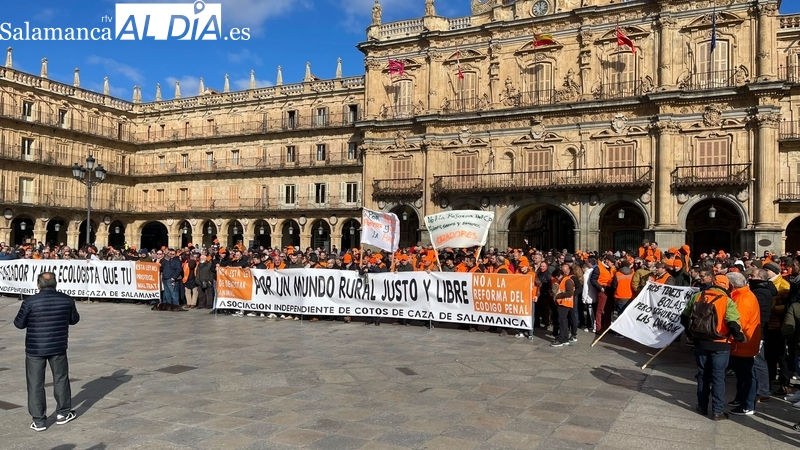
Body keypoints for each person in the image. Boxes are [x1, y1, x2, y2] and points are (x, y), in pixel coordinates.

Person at [14, 272, 80, 432]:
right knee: (61, 379)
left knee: (35, 383)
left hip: (35, 348)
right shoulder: (66, 299)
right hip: (58, 347)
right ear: (55, 284)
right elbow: (74, 320)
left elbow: (19, 324)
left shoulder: (29, 302)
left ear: (38, 285)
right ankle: (63, 413)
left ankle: (39, 420)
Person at [681, 268, 743, 421]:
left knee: (702, 375)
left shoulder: (697, 296)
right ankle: (717, 412)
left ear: (714, 283)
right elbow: (733, 323)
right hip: (720, 343)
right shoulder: (728, 301)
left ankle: (702, 406)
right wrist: (739, 337)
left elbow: (684, 318)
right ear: (727, 286)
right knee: (718, 377)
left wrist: (690, 335)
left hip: (701, 341)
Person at [726, 272, 761, 416]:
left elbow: (739, 323)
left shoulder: (743, 298)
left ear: (732, 285)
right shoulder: (741, 295)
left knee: (747, 375)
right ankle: (741, 399)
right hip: (743, 343)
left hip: (744, 343)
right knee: (742, 374)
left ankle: (747, 405)